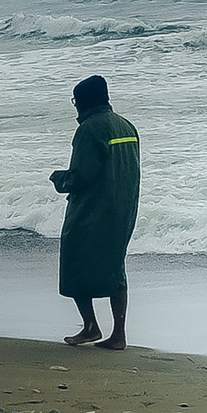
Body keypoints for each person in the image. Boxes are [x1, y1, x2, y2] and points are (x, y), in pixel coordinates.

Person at [49, 74, 140, 349]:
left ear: (84, 102)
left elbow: (81, 176)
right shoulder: (127, 126)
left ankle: (90, 327)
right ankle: (119, 335)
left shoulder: (89, 129)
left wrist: (59, 179)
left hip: (92, 208)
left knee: (74, 259)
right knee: (115, 267)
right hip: (124, 207)